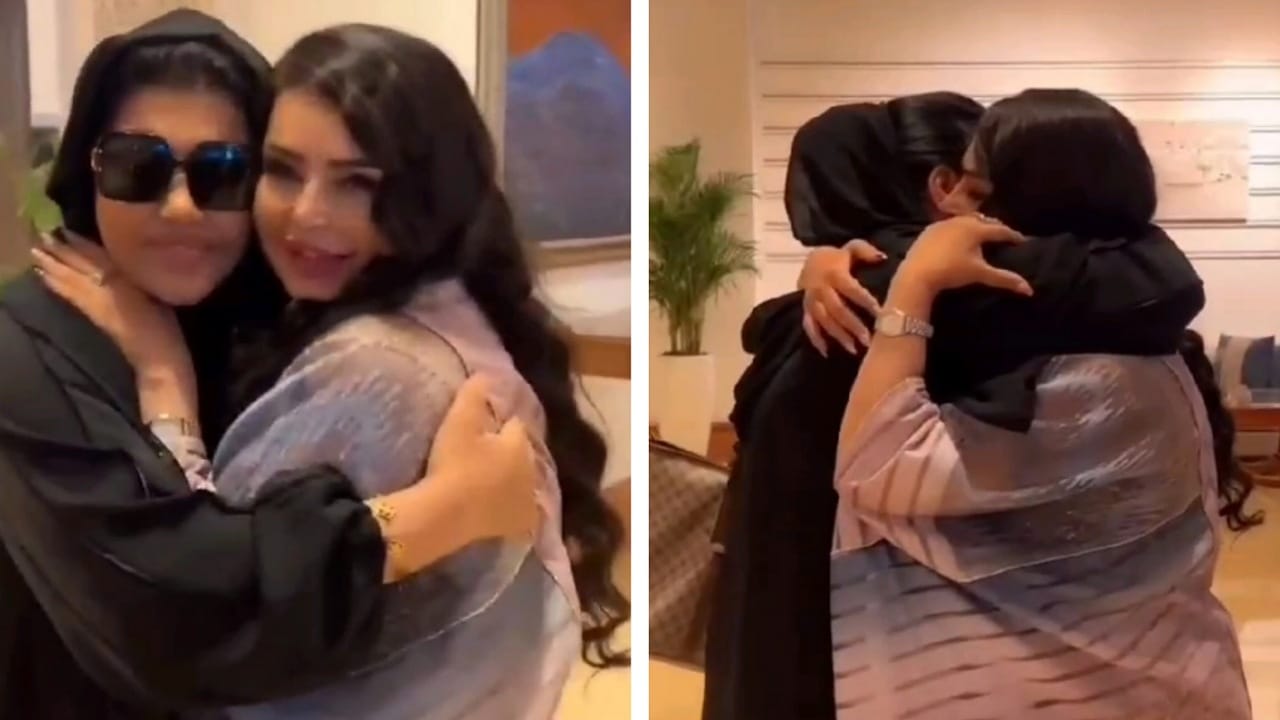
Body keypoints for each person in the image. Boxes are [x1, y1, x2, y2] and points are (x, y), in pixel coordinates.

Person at [35, 22, 629, 720]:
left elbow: (213, 613)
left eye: (357, 183)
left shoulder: (379, 367)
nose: (307, 214)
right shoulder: (448, 314)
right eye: (283, 170)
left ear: (427, 194)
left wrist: (165, 379)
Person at [703, 92, 1225, 720]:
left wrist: (907, 279)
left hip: (863, 640)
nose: (951, 204)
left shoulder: (927, 305)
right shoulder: (1122, 315)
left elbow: (877, 465)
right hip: (1134, 666)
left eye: (973, 190)